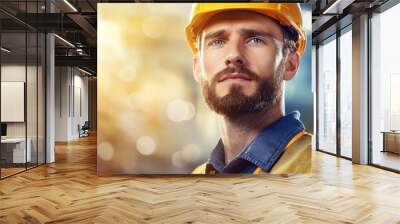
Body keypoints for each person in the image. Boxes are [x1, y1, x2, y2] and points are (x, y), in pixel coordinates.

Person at [185, 3, 311, 174]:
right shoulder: (199, 175)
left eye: (255, 40)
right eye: (217, 41)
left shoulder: (313, 165)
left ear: (290, 64)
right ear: (197, 68)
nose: (234, 55)